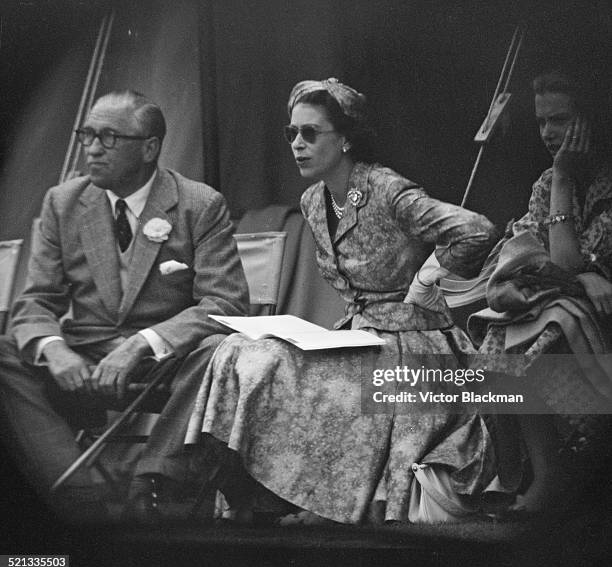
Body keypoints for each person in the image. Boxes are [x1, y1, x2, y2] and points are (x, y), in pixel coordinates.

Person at [185, 78, 499, 526]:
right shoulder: (313, 200)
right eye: (291, 133)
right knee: (239, 353)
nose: (297, 144)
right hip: (356, 336)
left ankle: (314, 504)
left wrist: (430, 274)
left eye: (311, 133)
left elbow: (476, 231)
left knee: (295, 375)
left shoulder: (388, 190)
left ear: (346, 137)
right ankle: (251, 493)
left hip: (411, 343)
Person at [0, 90, 249, 523]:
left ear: (149, 148)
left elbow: (224, 302)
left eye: (109, 137)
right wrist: (55, 349)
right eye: (88, 135)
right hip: (86, 354)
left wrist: (141, 344)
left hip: (166, 362)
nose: (92, 148)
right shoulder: (64, 202)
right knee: (5, 352)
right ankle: (76, 489)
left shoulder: (199, 204)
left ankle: (155, 485)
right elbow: (38, 299)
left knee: (217, 354)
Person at [469, 69, 612, 516]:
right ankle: (549, 474)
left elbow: (563, 260)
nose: (550, 133)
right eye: (542, 122)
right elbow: (516, 259)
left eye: (562, 120)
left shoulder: (597, 183)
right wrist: (579, 278)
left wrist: (566, 178)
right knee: (505, 333)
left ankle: (566, 476)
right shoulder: (545, 185)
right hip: (571, 307)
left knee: (546, 326)